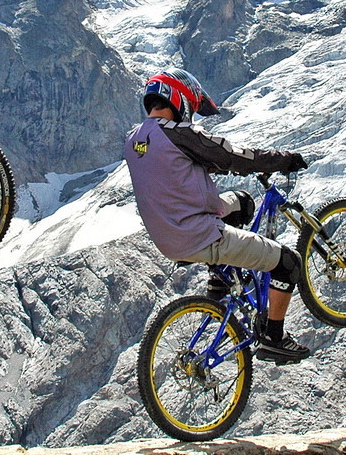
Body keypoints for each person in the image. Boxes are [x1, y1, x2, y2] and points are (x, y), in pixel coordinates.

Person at [123, 68, 312, 363]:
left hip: (168, 235)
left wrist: (218, 166)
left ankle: (219, 287)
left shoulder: (135, 140)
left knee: (243, 204)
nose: (193, 116)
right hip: (199, 234)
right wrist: (282, 160)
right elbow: (232, 155)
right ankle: (275, 338)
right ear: (181, 99)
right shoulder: (180, 134)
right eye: (193, 109)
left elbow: (177, 168)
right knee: (289, 263)